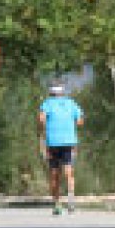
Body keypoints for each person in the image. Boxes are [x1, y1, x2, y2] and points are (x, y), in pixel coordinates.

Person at [38, 79, 84, 214]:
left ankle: (57, 204)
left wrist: (43, 132)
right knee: (69, 171)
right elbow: (80, 121)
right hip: (69, 141)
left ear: (51, 91)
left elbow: (41, 119)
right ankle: (71, 199)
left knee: (54, 174)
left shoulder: (47, 103)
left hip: (52, 142)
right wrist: (69, 124)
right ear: (63, 91)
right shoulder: (71, 103)